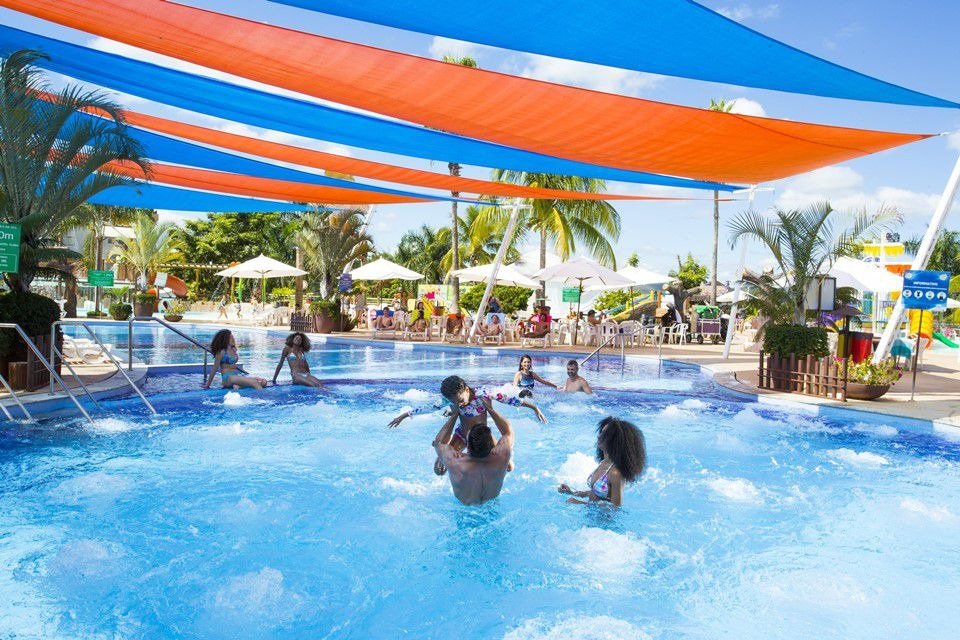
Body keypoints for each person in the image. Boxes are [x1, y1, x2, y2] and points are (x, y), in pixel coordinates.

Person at [389, 374, 547, 475]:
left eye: (458, 400)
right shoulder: (449, 400)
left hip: (483, 437)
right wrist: (404, 415)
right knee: (439, 470)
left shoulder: (483, 394)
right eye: (452, 402)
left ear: (466, 389)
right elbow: (429, 407)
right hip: (462, 434)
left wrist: (533, 407)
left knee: (509, 467)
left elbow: (509, 399)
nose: (457, 404)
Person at [434, 397, 513, 505]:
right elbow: (507, 432)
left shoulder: (455, 462)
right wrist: (490, 409)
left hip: (464, 512)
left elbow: (438, 443)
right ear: (491, 445)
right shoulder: (502, 456)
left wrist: (454, 415)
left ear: (468, 447)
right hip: (492, 508)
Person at [558, 417, 646, 507]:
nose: (599, 436)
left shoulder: (615, 473)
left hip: (602, 520)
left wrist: (581, 503)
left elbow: (615, 509)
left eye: (605, 434)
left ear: (616, 441)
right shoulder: (603, 463)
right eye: (601, 432)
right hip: (591, 516)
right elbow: (596, 493)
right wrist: (572, 492)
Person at [203, 329, 268, 390]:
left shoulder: (233, 349)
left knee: (263, 382)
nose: (233, 338)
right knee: (254, 383)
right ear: (225, 339)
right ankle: (264, 399)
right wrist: (207, 385)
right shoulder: (221, 352)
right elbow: (214, 369)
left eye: (232, 336)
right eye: (231, 337)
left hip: (236, 375)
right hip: (228, 378)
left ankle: (238, 385)